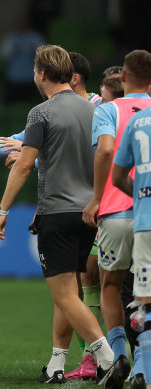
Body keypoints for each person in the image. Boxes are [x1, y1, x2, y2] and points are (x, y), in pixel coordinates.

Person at [0, 44, 119, 386]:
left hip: (57, 211)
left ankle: (109, 359)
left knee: (64, 294)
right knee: (72, 291)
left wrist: (2, 209)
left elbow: (24, 164)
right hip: (92, 213)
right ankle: (56, 364)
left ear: (42, 74)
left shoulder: (41, 113)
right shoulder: (97, 111)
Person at [82, 49, 151, 385]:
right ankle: (142, 363)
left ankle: (119, 353)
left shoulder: (108, 109)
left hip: (115, 211)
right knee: (144, 293)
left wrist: (96, 198)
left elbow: (106, 150)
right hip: (147, 212)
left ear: (122, 77)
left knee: (110, 286)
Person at [112, 105, 151, 389]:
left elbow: (116, 175)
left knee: (143, 298)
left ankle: (144, 371)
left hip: (144, 219)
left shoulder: (138, 120)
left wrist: (141, 198)